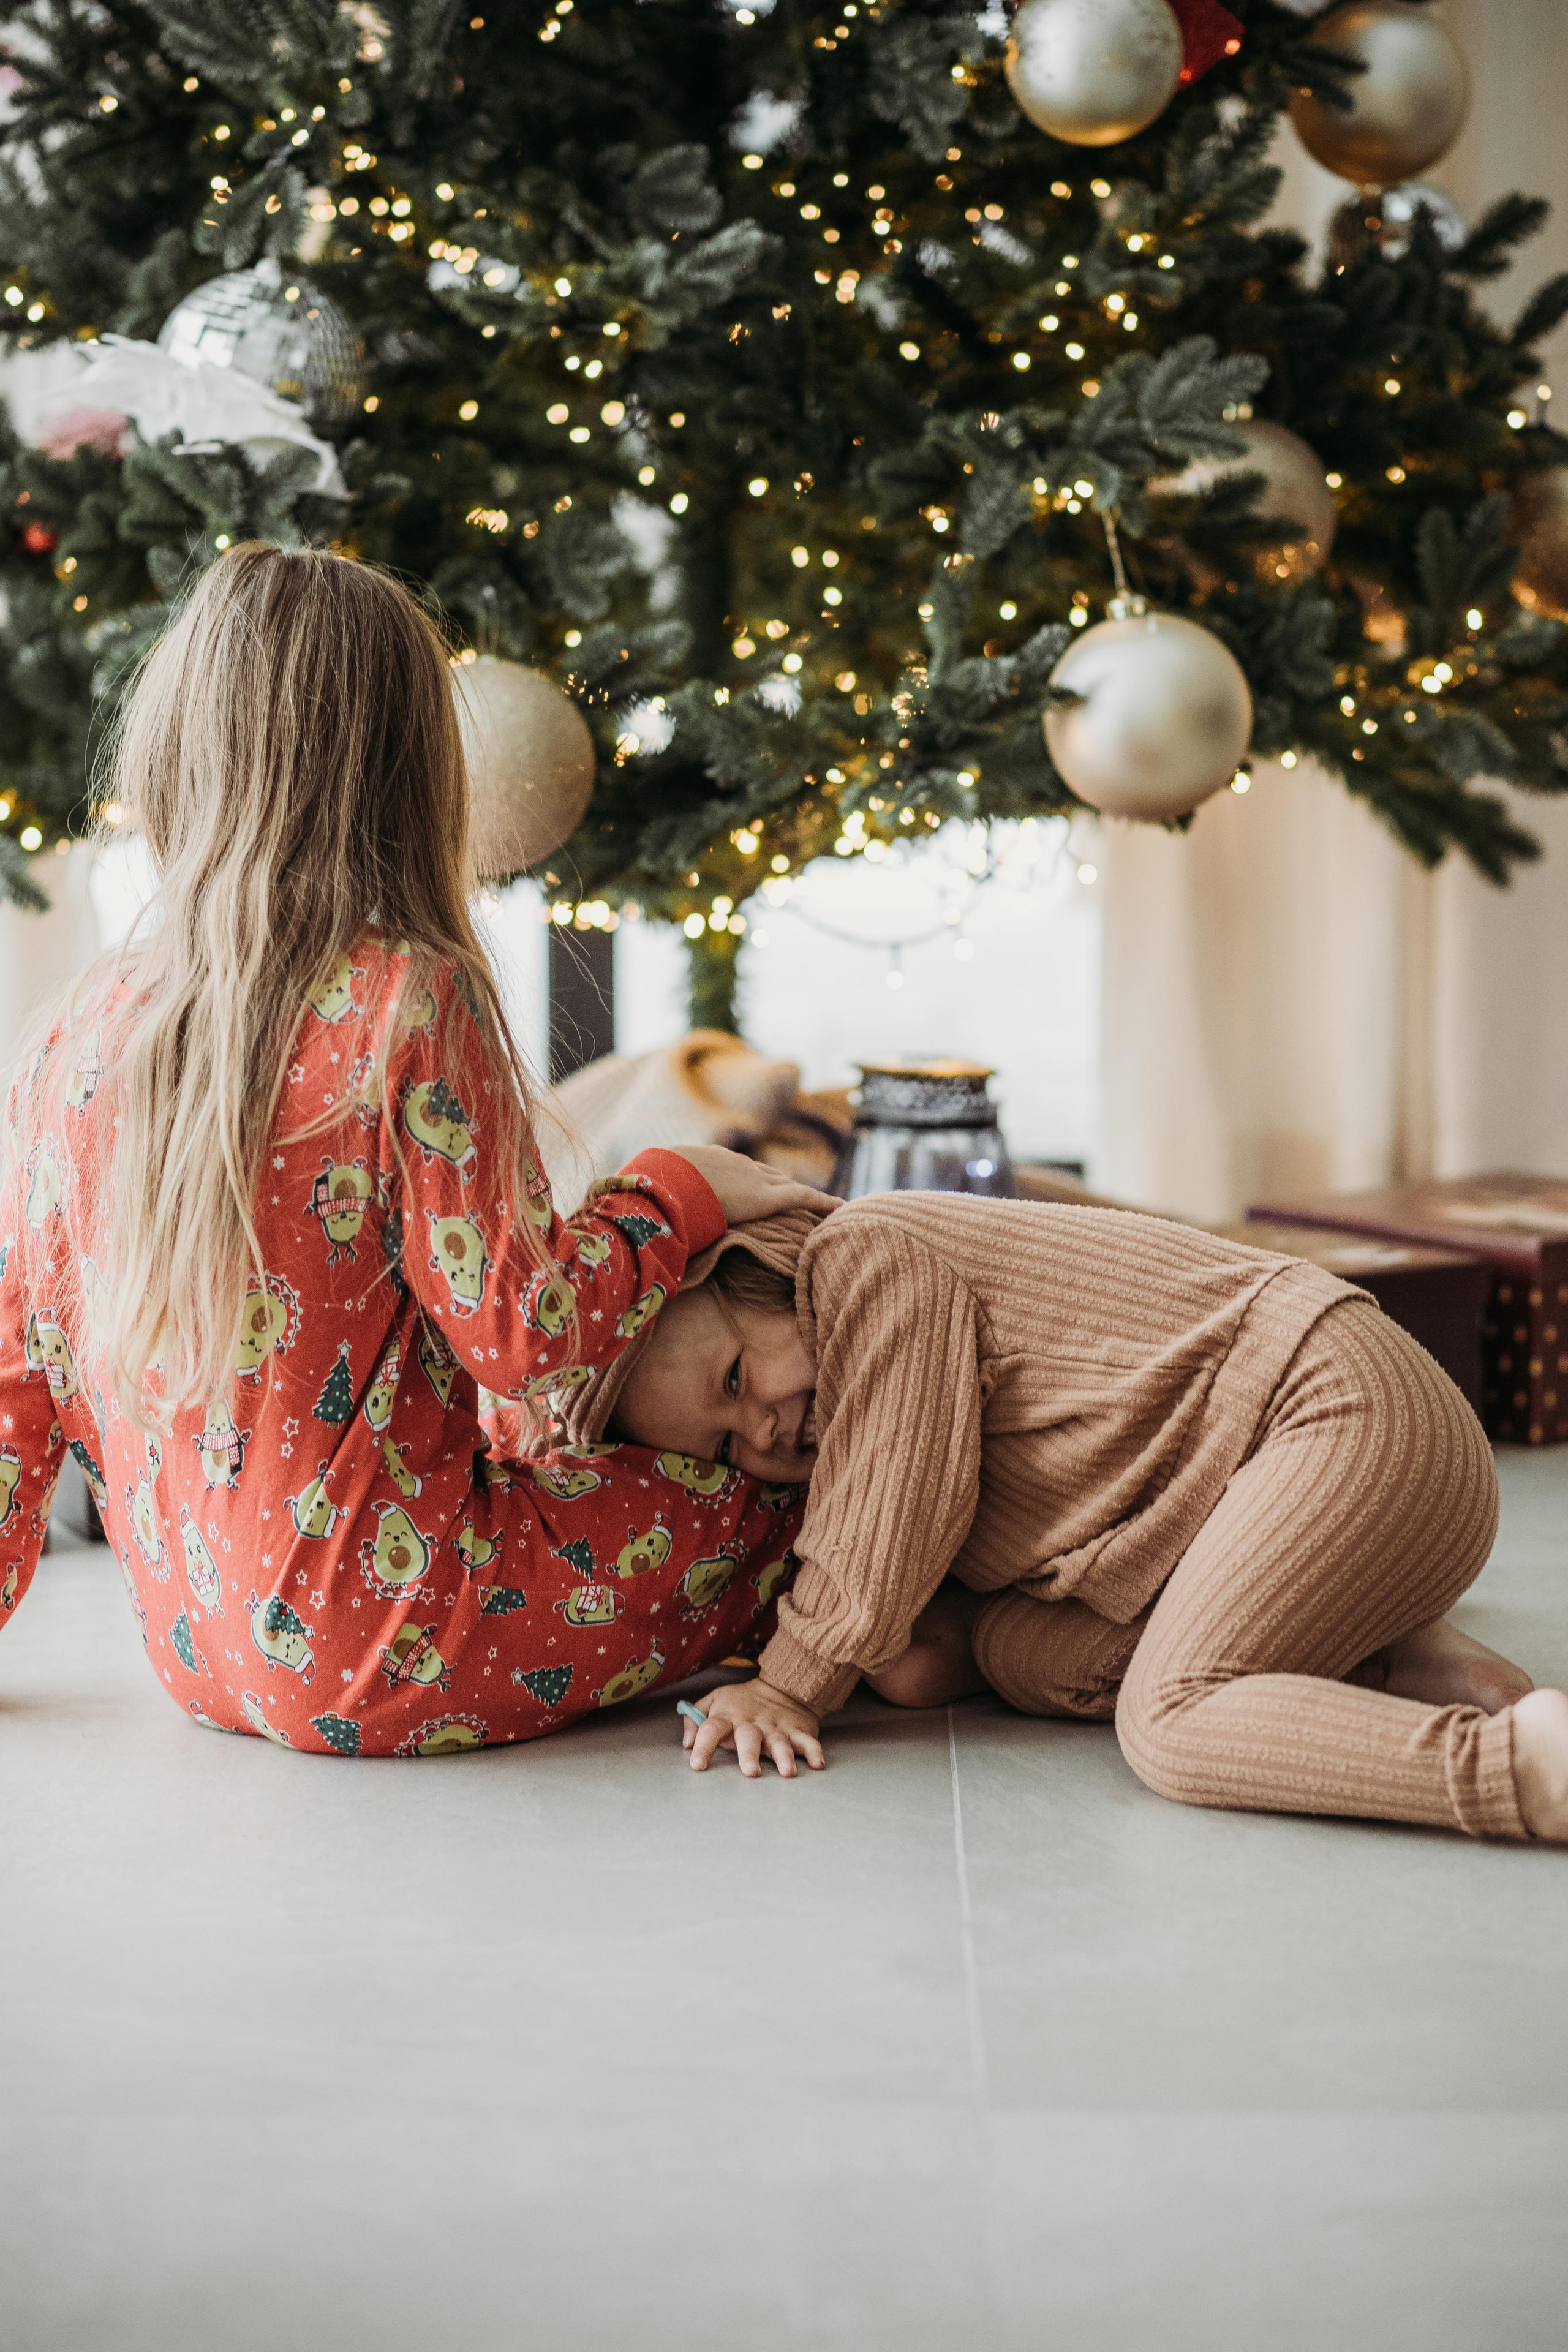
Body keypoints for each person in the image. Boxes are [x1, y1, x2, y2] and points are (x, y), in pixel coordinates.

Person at [0, 544, 832, 1757]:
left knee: (536, 1454)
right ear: (412, 771)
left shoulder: (70, 1032)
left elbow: (18, 1378)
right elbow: (525, 1333)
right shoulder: (404, 1000)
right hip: (398, 1637)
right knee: (766, 1508)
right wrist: (676, 1188)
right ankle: (943, 1629)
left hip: (198, 1653)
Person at [559, 1197, 1568, 1843]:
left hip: (1339, 1407)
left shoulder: (863, 1260)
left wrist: (791, 1682)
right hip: (1276, 1492)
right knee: (1023, 1650)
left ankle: (1524, 1771)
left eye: (738, 1379)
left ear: (754, 1271)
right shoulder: (836, 1400)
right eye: (726, 1447)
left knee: (1170, 1724)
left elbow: (894, 1503)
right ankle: (1394, 1654)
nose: (763, 1431)